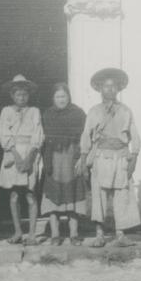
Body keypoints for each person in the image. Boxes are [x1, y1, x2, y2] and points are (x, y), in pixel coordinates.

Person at [77, 68, 141, 248]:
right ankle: (100, 234)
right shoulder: (94, 111)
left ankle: (121, 234)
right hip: (101, 157)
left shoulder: (126, 111)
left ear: (118, 89)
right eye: (106, 86)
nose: (110, 90)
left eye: (113, 87)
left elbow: (134, 136)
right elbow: (86, 136)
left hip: (121, 157)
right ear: (100, 89)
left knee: (122, 194)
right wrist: (83, 159)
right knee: (100, 195)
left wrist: (134, 158)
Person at [0, 75, 44, 246]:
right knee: (15, 195)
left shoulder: (35, 111)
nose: (21, 98)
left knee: (31, 194)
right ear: (12, 95)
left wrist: (29, 158)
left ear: (28, 95)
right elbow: (4, 134)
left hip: (30, 154)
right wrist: (17, 157)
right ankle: (18, 231)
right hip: (13, 153)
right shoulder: (6, 111)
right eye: (18, 95)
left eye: (25, 94)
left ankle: (31, 234)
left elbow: (38, 135)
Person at [40, 83, 87, 246]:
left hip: (71, 158)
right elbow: (44, 140)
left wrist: (82, 158)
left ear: (69, 97)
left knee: (72, 196)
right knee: (54, 197)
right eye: (58, 96)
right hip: (53, 158)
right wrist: (45, 161)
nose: (61, 100)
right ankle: (55, 234)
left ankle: (74, 234)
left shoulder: (78, 114)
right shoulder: (47, 114)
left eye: (64, 96)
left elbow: (85, 138)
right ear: (53, 98)